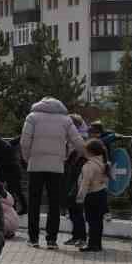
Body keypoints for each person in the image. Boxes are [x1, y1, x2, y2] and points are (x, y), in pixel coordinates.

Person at [20, 96, 85, 250]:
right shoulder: (65, 119)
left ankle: (33, 238)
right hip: (56, 167)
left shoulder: (32, 117)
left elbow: (24, 141)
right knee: (54, 204)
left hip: (35, 166)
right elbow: (78, 141)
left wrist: (27, 158)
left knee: (34, 203)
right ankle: (51, 240)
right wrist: (70, 154)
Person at [75, 138, 111, 253]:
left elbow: (85, 183)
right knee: (98, 221)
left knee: (91, 221)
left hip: (91, 195)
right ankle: (97, 244)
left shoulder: (89, 165)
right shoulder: (103, 163)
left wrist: (80, 198)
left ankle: (92, 245)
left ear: (89, 152)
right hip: (101, 193)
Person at [0, 133, 26, 215]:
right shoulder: (5, 145)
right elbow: (15, 140)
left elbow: (1, 166)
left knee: (11, 192)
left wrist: (1, 180)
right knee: (17, 191)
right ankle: (22, 208)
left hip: (10, 173)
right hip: (15, 171)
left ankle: (14, 210)